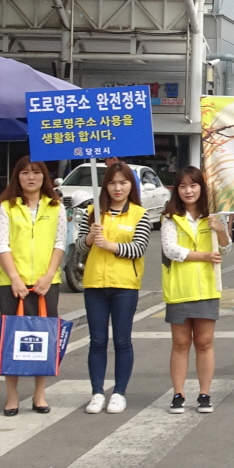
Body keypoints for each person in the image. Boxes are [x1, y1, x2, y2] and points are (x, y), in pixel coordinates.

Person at [72, 160, 156, 414]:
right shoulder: (94, 213)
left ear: (132, 185)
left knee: (122, 341)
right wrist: (89, 237)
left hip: (125, 286)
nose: (117, 188)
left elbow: (139, 248)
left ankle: (119, 392)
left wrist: (110, 246)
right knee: (97, 340)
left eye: (123, 182)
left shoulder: (140, 214)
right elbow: (79, 247)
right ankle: (97, 392)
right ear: (105, 186)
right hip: (95, 283)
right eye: (112, 182)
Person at [0, 156, 67, 416]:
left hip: (46, 284)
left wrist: (49, 275)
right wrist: (14, 277)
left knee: (43, 338)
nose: (31, 177)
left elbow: (60, 243)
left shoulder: (56, 206)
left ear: (44, 177)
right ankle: (11, 396)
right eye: (25, 173)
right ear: (17, 177)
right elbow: (1, 245)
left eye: (36, 172)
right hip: (13, 284)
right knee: (11, 338)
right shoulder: (6, 207)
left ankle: (39, 394)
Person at [161, 166, 227, 414]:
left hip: (208, 288)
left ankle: (204, 393)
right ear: (176, 190)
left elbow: (225, 250)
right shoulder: (170, 217)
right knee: (180, 343)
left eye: (193, 185)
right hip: (179, 288)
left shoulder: (212, 216)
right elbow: (171, 250)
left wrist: (221, 232)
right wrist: (203, 255)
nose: (189, 191)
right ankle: (178, 394)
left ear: (202, 188)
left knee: (205, 342)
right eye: (183, 186)